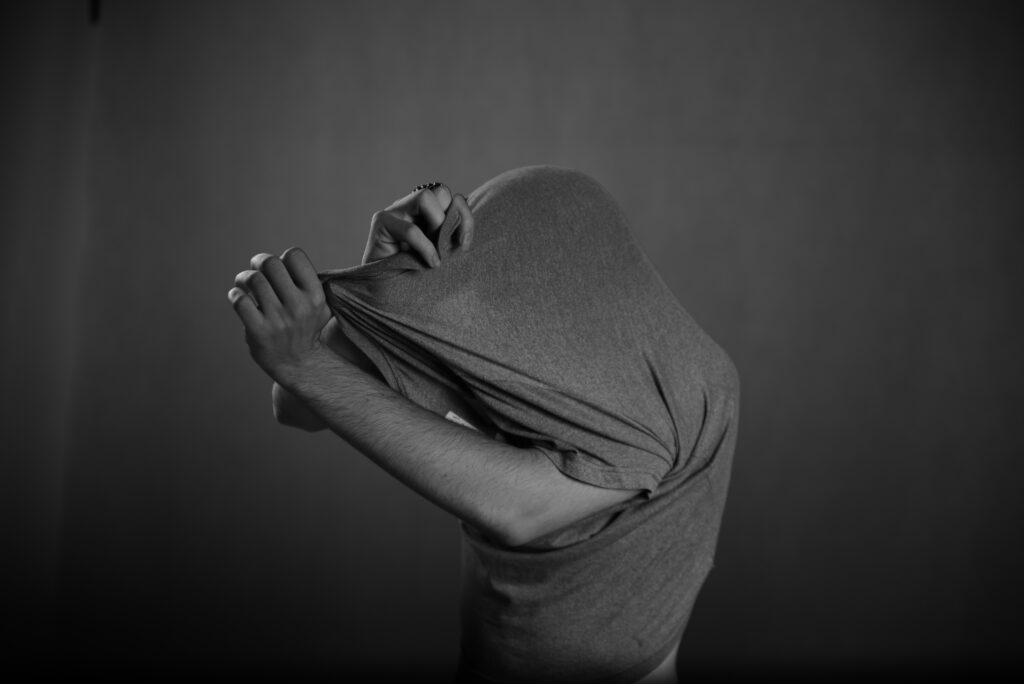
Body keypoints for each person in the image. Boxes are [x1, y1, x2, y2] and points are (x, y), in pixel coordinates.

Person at [227, 166, 739, 683]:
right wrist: (383, 291)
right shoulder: (499, 361)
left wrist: (302, 363)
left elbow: (513, 510)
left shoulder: (663, 406)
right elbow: (296, 410)